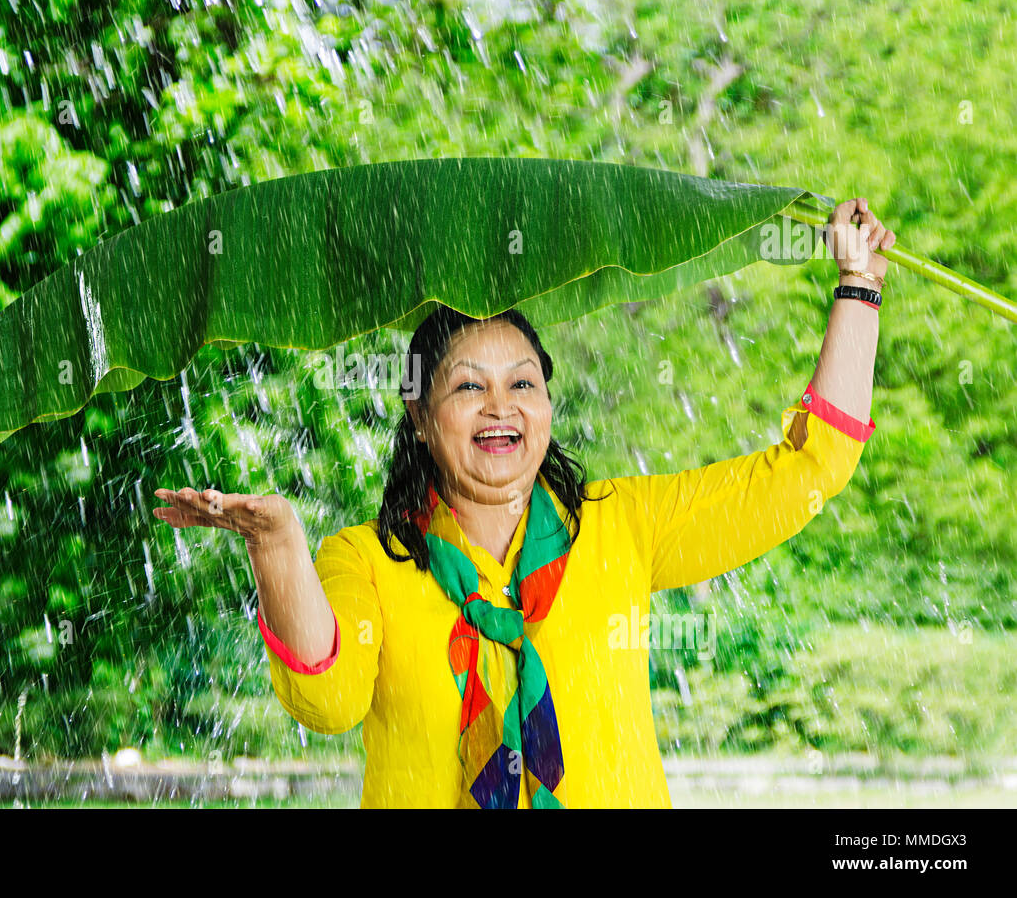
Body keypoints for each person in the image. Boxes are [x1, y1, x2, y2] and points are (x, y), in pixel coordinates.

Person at [153, 197, 894, 808]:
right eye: (469, 386)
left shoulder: (619, 525)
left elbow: (807, 470)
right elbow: (328, 702)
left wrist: (859, 289)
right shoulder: (365, 558)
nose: (500, 407)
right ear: (418, 414)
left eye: (523, 383)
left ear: (546, 403)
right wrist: (277, 543)